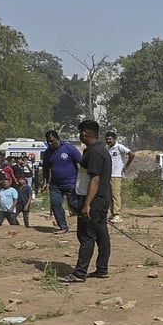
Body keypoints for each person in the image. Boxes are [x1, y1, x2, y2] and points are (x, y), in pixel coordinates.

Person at [60, 120, 112, 283]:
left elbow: (94, 179)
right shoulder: (97, 150)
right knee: (101, 234)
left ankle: (79, 273)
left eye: (80, 132)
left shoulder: (95, 152)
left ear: (84, 133)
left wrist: (87, 204)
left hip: (94, 200)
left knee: (86, 235)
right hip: (101, 199)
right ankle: (102, 269)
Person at [42, 130, 83, 234]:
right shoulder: (47, 153)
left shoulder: (69, 148)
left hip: (71, 182)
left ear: (58, 139)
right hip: (55, 184)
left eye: (52, 141)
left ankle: (89, 222)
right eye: (48, 142)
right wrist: (45, 182)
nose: (50, 144)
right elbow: (46, 168)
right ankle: (63, 227)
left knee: (74, 205)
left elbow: (81, 161)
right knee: (56, 205)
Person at [105, 131, 134, 223]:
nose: (108, 141)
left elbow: (131, 154)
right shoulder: (107, 148)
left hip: (116, 174)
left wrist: (126, 166)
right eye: (107, 139)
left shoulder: (119, 147)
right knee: (109, 195)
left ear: (114, 139)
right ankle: (113, 213)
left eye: (110, 139)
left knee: (115, 194)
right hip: (108, 174)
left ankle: (117, 214)